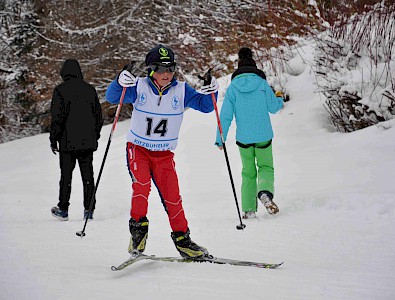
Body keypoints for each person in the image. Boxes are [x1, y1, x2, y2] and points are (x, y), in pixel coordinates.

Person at [105, 44, 218, 258]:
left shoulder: (182, 90)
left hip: (164, 153)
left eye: (170, 69)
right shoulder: (139, 87)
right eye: (160, 69)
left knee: (172, 196)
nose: (166, 74)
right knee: (141, 187)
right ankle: (138, 235)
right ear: (150, 70)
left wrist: (213, 89)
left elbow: (205, 105)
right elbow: (113, 97)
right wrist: (119, 81)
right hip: (138, 149)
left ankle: (183, 240)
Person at [215, 47, 283, 219]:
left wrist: (219, 139)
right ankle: (265, 193)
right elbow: (274, 108)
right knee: (266, 167)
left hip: (244, 139)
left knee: (248, 172)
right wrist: (279, 97)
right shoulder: (261, 84)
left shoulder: (232, 89)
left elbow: (225, 117)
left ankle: (249, 210)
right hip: (264, 136)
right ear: (254, 66)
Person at [50, 58, 103, 221]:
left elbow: (57, 117)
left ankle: (63, 209)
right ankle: (89, 210)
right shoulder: (90, 90)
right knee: (88, 176)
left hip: (67, 143)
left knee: (66, 176)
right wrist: (95, 135)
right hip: (87, 142)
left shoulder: (60, 90)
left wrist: (54, 139)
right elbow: (98, 117)